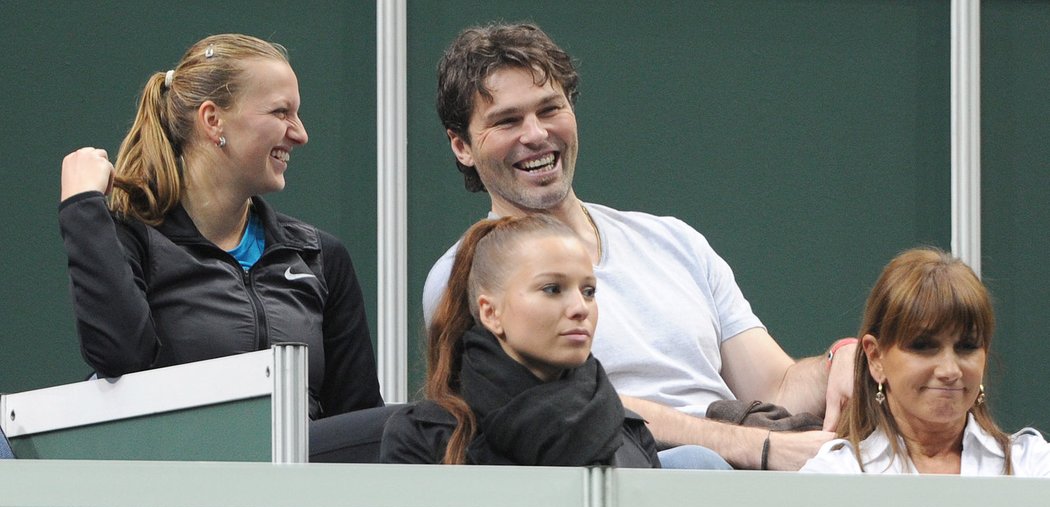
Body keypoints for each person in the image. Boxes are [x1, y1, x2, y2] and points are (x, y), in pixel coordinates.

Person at [421, 22, 852, 470]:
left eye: (550, 109)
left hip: (745, 468)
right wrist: (752, 447)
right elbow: (566, 408)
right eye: (507, 120)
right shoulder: (468, 272)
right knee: (697, 466)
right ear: (462, 146)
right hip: (626, 479)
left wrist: (841, 360)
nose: (535, 134)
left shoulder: (673, 240)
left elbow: (776, 386)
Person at [58, 33, 389, 461]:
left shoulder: (320, 256)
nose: (301, 134)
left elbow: (358, 418)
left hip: (295, 486)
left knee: (423, 430)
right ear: (213, 120)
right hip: (178, 474)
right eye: (281, 112)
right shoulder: (132, 236)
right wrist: (84, 209)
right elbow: (120, 360)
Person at [382, 215, 659, 467]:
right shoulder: (423, 437)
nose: (580, 307)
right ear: (490, 313)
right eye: (552, 289)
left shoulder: (631, 434)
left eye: (588, 291)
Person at [802, 248, 1050, 475]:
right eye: (923, 347)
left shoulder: (1032, 465)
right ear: (876, 357)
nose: (949, 370)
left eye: (967, 347)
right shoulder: (835, 473)